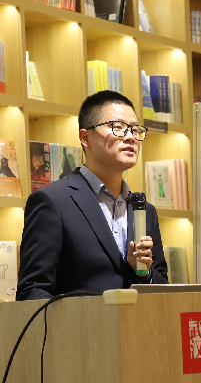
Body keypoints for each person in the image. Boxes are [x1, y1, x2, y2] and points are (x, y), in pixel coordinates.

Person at [17, 91, 169, 300]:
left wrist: (145, 273)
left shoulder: (144, 210)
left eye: (135, 129)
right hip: (80, 322)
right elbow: (32, 291)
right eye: (117, 127)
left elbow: (163, 290)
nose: (130, 137)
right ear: (85, 138)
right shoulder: (53, 202)